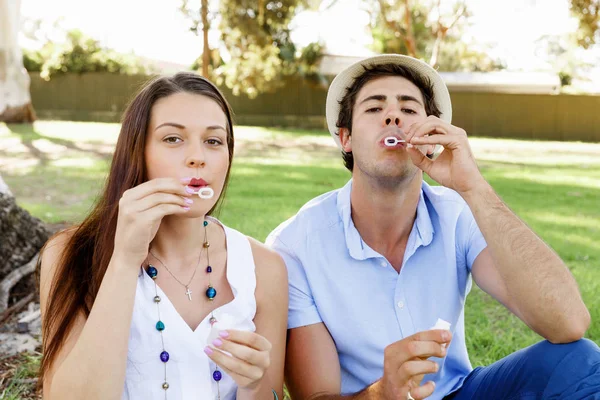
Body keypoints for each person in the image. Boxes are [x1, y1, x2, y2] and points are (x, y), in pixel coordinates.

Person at [266, 55, 600, 400]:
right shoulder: (294, 246)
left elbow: (568, 322)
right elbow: (317, 397)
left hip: (460, 393)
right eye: (374, 109)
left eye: (409, 110)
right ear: (346, 137)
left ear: (431, 135)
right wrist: (383, 393)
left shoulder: (457, 214)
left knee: (579, 360)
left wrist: (474, 188)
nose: (393, 116)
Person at [38, 72, 288, 400]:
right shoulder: (71, 253)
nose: (197, 157)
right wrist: (125, 259)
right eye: (173, 139)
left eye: (213, 141)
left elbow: (267, 394)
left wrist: (253, 385)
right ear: (136, 151)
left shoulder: (265, 268)